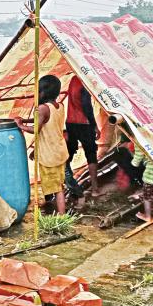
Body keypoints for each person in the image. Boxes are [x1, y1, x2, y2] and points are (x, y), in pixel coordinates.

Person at [15, 75, 70, 215]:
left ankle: (62, 217)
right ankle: (57, 211)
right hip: (59, 151)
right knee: (58, 185)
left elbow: (35, 129)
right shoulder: (59, 106)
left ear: (42, 93)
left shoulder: (42, 108)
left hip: (50, 155)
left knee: (57, 189)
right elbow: (46, 124)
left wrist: (20, 125)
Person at [64, 75, 101, 207]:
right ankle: (95, 189)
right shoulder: (85, 81)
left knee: (69, 153)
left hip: (70, 122)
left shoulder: (74, 78)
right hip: (84, 123)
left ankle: (68, 182)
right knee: (91, 154)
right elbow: (86, 106)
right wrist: (94, 125)